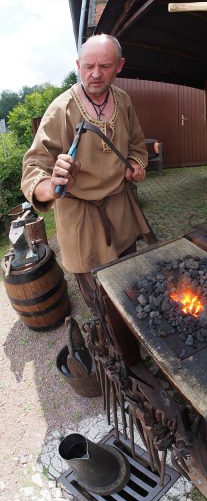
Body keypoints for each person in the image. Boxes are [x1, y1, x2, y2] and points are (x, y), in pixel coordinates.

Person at [21, 34, 151, 310]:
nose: (95, 74)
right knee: (100, 296)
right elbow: (33, 167)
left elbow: (138, 146)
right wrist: (51, 184)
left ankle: (133, 328)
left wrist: (137, 164)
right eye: (88, 66)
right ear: (78, 64)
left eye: (104, 66)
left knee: (129, 280)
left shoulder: (124, 101)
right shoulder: (61, 109)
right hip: (80, 217)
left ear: (120, 65)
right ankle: (112, 339)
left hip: (119, 207)